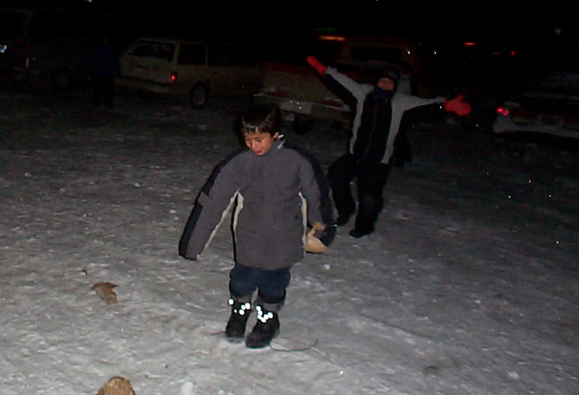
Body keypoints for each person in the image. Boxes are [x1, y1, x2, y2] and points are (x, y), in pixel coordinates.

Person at [178, 103, 334, 349]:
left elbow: (317, 194)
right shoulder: (239, 163)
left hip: (286, 237)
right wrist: (193, 244)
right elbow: (213, 201)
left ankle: (268, 320)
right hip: (250, 236)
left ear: (275, 133)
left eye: (259, 139)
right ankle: (239, 313)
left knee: (274, 283)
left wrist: (321, 226)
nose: (253, 146)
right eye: (248, 140)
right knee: (242, 280)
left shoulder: (297, 160)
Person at [306, 55, 472, 238]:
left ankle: (364, 226)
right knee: (336, 177)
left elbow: (427, 105)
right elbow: (342, 82)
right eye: (382, 81)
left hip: (378, 161)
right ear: (377, 82)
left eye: (389, 83)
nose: (385, 85)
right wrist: (324, 71)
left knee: (369, 197)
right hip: (356, 155)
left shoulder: (401, 103)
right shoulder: (363, 94)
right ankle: (346, 210)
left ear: (394, 86)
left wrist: (447, 106)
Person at [87, 32, 120, 109]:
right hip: (99, 73)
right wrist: (91, 70)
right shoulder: (97, 50)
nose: (105, 41)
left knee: (107, 90)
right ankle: (97, 103)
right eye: (104, 39)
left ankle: (107, 104)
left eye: (106, 40)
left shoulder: (110, 50)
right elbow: (91, 61)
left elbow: (115, 61)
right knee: (98, 90)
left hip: (106, 73)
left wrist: (116, 70)